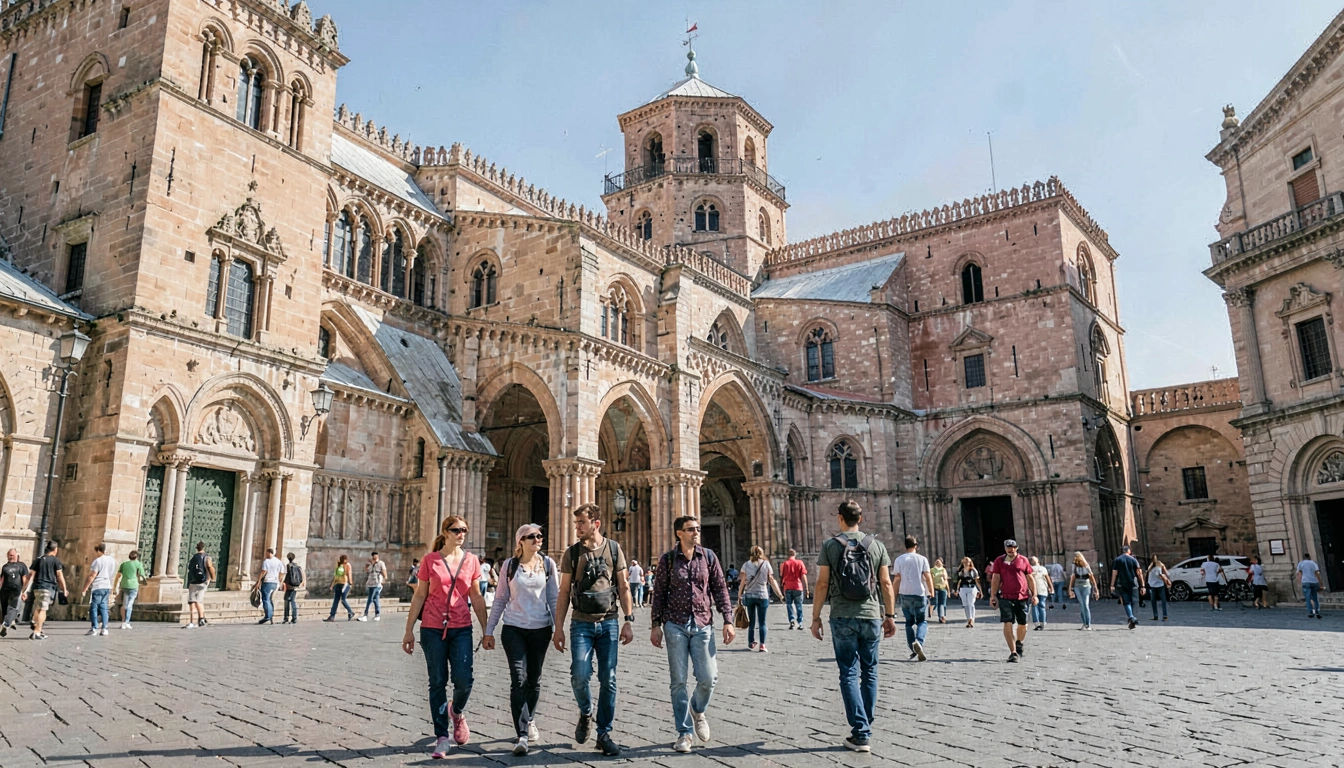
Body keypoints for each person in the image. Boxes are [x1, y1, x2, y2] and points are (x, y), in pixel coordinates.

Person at [810, 500, 896, 752]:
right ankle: (864, 726)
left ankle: (861, 731)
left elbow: (822, 585)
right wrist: (890, 615)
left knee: (848, 672)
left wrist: (815, 618)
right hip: (870, 614)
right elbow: (886, 583)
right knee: (870, 671)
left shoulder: (830, 545)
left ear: (839, 518)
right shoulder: (876, 545)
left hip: (842, 615)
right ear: (861, 518)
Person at [402, 515, 489, 759]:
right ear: (445, 532)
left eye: (464, 530)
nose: (461, 534)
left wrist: (486, 630)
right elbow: (419, 595)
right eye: (456, 530)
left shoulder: (471, 560)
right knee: (437, 681)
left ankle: (457, 711)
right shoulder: (430, 560)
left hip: (461, 627)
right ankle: (442, 737)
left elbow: (477, 596)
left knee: (464, 680)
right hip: (431, 627)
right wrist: (408, 630)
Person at [552, 503, 635, 757]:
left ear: (596, 524)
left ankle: (604, 733)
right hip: (581, 623)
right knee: (579, 674)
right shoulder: (572, 553)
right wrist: (559, 628)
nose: (577, 527)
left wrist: (628, 619)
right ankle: (586, 712)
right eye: (576, 523)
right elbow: (564, 591)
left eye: (581, 523)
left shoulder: (613, 548)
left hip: (609, 622)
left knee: (608, 679)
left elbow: (623, 585)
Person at [650, 515, 736, 753]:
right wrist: (655, 624)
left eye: (697, 529)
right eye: (691, 529)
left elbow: (719, 588)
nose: (696, 532)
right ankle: (684, 733)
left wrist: (728, 620)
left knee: (709, 678)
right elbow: (658, 593)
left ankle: (697, 709)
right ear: (679, 533)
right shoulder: (668, 560)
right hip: (675, 624)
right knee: (678, 681)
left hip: (703, 623)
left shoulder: (708, 556)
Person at [483, 524, 558, 756]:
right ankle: (522, 734)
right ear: (520, 541)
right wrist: (489, 630)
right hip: (513, 628)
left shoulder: (548, 564)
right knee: (518, 679)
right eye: (532, 536)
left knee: (534, 680)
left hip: (540, 629)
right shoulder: (509, 565)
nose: (538, 539)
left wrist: (559, 629)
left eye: (539, 536)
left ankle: (531, 718)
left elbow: (554, 597)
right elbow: (500, 599)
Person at [988, 539, 1037, 662]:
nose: (1011, 549)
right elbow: (996, 578)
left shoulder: (1023, 560)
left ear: (1017, 547)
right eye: (1009, 547)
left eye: (1013, 547)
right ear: (1005, 548)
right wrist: (993, 595)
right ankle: (1013, 652)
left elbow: (1030, 577)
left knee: (1023, 624)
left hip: (1022, 596)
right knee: (1007, 622)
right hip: (1005, 596)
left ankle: (1019, 643)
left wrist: (1035, 594)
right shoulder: (999, 561)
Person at [892, 536, 934, 661]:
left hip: (905, 593)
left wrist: (893, 595)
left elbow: (897, 578)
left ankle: (912, 647)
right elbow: (927, 575)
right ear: (916, 546)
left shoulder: (899, 559)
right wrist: (931, 591)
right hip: (919, 593)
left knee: (909, 622)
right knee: (922, 621)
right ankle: (919, 642)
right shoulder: (922, 559)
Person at [738, 546, 781, 652]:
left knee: (751, 621)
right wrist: (779, 594)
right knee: (762, 622)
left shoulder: (746, 564)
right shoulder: (766, 564)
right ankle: (762, 645)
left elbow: (743, 581)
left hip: (750, 595)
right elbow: (771, 580)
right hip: (763, 595)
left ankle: (751, 642)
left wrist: (739, 595)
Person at [24, 540, 68, 640]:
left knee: (38, 607)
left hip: (37, 587)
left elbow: (30, 575)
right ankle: (37, 631)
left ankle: (35, 621)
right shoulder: (55, 561)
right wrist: (64, 589)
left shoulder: (38, 559)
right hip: (48, 587)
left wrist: (24, 590)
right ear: (55, 549)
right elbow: (59, 575)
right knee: (43, 610)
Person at [80, 543, 117, 637]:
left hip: (98, 586)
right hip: (107, 585)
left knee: (94, 607)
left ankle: (94, 628)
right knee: (104, 607)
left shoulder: (98, 561)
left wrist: (85, 588)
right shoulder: (113, 561)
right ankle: (104, 628)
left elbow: (92, 575)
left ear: (99, 551)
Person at [1108, 545, 1144, 629]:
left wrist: (1112, 585)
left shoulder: (1117, 560)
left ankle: (1131, 617)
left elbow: (1114, 573)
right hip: (1133, 583)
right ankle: (1133, 617)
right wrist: (1143, 585)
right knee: (1134, 601)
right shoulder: (1134, 560)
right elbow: (1139, 573)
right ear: (1129, 551)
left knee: (1126, 601)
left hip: (1122, 583)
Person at [0, 549, 30, 638]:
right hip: (4, 591)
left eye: (12, 555)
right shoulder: (5, 566)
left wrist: (24, 591)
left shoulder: (22, 565)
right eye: (9, 555)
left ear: (17, 555)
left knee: (13, 608)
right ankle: (5, 626)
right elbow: (2, 580)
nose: (11, 556)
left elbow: (24, 579)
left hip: (16, 590)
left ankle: (7, 623)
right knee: (5, 610)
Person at [113, 550, 146, 629]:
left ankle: (123, 622)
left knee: (125, 604)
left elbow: (118, 576)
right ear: (137, 557)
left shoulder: (124, 564)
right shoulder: (138, 564)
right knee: (130, 604)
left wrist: (115, 587)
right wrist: (144, 582)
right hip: (133, 585)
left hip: (124, 584)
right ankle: (127, 621)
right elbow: (142, 575)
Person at [185, 542, 215, 628]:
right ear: (203, 548)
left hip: (193, 582)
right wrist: (212, 578)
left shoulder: (194, 557)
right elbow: (210, 567)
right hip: (203, 581)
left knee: (192, 601)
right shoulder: (207, 557)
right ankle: (201, 618)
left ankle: (191, 621)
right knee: (199, 601)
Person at [780, 549, 809, 630]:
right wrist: (806, 588)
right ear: (795, 554)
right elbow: (803, 576)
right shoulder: (800, 563)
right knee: (799, 605)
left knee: (789, 605)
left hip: (788, 587)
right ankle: (800, 623)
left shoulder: (785, 564)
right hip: (798, 586)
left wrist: (781, 588)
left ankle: (792, 620)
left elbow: (782, 576)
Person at [253, 547, 284, 625]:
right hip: (275, 582)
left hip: (267, 581)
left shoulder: (266, 561)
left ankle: (268, 616)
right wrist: (279, 581)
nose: (266, 555)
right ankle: (271, 616)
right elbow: (282, 573)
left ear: (269, 553)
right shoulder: (278, 561)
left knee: (266, 599)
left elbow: (263, 572)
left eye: (267, 553)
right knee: (270, 599)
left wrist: (258, 582)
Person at [1067, 552, 1098, 630]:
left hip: (1086, 586)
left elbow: (1091, 576)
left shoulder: (1086, 566)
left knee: (1086, 605)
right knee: (1082, 605)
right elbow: (1072, 577)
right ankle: (1084, 623)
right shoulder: (1074, 566)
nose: (1075, 559)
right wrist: (1070, 588)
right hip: (1077, 586)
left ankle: (1088, 624)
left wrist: (1095, 588)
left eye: (1077, 557)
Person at [325, 554, 354, 622]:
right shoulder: (340, 565)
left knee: (342, 599)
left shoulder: (344, 565)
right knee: (336, 600)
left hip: (344, 584)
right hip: (340, 584)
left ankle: (350, 612)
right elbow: (336, 576)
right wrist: (332, 585)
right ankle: (332, 616)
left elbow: (347, 574)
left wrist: (350, 583)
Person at [359, 552, 387, 622]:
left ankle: (365, 615)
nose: (374, 558)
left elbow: (384, 571)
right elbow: (367, 570)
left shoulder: (381, 563)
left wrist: (384, 578)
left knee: (370, 599)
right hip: (370, 583)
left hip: (376, 583)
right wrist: (367, 566)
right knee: (375, 599)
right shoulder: (370, 564)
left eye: (375, 557)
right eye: (373, 557)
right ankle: (377, 615)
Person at [955, 556, 981, 628]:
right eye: (965, 561)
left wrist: (980, 590)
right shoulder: (961, 571)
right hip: (963, 589)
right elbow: (959, 581)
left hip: (972, 588)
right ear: (962, 562)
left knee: (971, 603)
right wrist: (957, 590)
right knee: (965, 604)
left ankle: (971, 619)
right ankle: (968, 619)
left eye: (968, 562)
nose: (967, 563)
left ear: (970, 563)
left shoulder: (973, 570)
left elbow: (977, 580)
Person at [1147, 556, 1171, 621]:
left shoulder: (1150, 568)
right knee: (1163, 601)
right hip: (1160, 585)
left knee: (1153, 601)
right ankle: (1164, 616)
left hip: (1153, 586)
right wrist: (1167, 581)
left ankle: (1156, 615)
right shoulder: (1158, 567)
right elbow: (1165, 575)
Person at [282, 552, 304, 624]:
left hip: (289, 585)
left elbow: (284, 575)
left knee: (287, 601)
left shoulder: (288, 566)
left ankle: (286, 617)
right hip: (295, 585)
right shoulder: (297, 566)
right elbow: (302, 575)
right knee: (293, 601)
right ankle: (294, 617)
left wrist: (282, 583)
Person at [1297, 553, 1322, 618]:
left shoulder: (1301, 563)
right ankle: (1317, 611)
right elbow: (1317, 573)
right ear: (1309, 557)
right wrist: (1320, 583)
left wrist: (1300, 582)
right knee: (1315, 598)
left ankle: (1311, 612)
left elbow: (1299, 574)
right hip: (1314, 581)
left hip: (1305, 581)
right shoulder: (1313, 563)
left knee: (1308, 598)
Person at [929, 558, 949, 625]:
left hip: (943, 588)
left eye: (939, 561)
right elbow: (930, 579)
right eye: (936, 561)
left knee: (942, 603)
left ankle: (941, 616)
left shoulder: (943, 570)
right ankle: (933, 611)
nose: (937, 562)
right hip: (935, 588)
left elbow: (946, 579)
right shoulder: (932, 570)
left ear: (942, 563)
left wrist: (948, 590)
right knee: (936, 603)